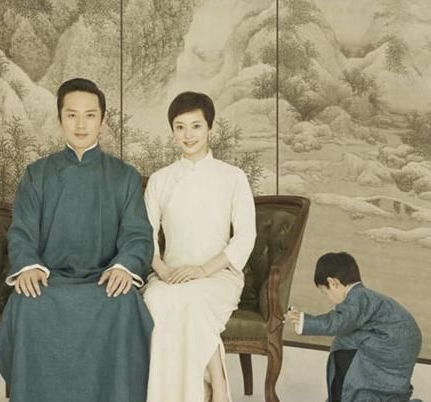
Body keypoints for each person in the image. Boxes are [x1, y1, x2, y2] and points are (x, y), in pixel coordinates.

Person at [0, 77, 154, 402]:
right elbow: (21, 231)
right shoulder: (37, 174)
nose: (81, 125)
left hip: (103, 281)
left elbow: (137, 234)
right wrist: (29, 266)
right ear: (59, 119)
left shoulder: (125, 177)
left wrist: (123, 266)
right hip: (49, 281)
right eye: (72, 115)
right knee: (26, 303)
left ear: (102, 121)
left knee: (124, 304)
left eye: (90, 115)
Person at [143, 91, 256, 402]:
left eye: (196, 126)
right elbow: (144, 235)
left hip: (218, 275)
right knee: (156, 299)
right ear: (172, 131)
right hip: (170, 275)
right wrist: (163, 270)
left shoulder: (233, 177)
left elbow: (245, 235)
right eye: (180, 127)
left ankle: (215, 381)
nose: (188, 135)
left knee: (192, 298)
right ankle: (212, 377)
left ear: (210, 128)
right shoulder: (160, 180)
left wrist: (204, 270)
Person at [285, 252, 422, 402]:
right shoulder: (366, 296)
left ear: (333, 283)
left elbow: (339, 322)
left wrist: (305, 321)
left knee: (344, 346)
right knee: (378, 381)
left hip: (391, 342)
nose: (329, 298)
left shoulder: (358, 296)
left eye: (325, 293)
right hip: (400, 342)